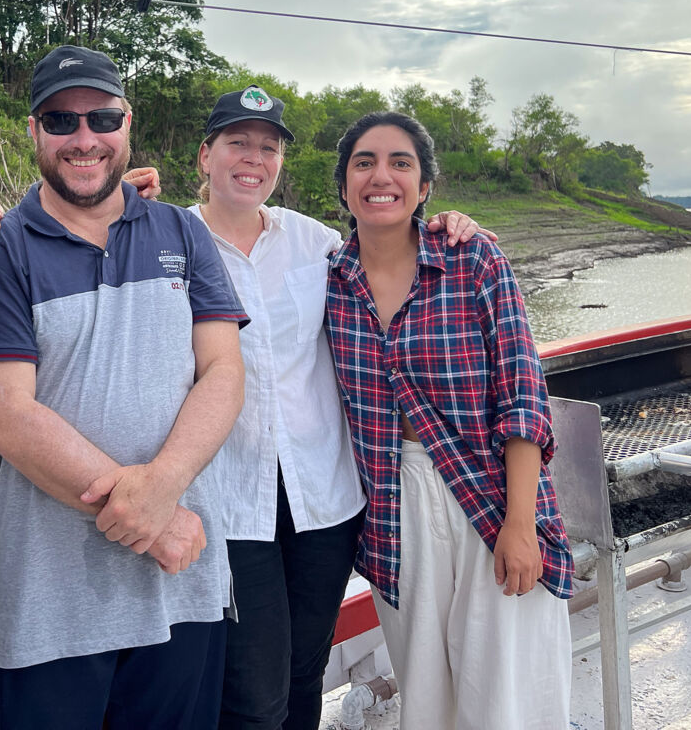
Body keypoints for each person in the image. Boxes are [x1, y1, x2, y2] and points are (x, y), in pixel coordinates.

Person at [0, 45, 247, 730]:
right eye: (60, 120)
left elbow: (223, 371)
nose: (84, 138)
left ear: (127, 124)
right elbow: (6, 417)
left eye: (101, 117)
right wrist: (156, 521)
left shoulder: (180, 232)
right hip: (56, 605)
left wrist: (162, 491)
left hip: (184, 584)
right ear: (34, 132)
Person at [190, 87, 484, 730]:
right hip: (230, 502)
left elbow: (393, 244)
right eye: (237, 142)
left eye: (268, 148)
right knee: (253, 691)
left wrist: (448, 223)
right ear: (205, 155)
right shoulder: (167, 240)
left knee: (303, 672)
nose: (253, 158)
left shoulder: (316, 244)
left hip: (323, 498)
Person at [324, 111, 573, 730]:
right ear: (345, 184)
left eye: (400, 163)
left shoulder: (471, 259)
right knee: (428, 699)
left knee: (506, 699)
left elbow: (522, 392)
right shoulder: (329, 279)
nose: (381, 176)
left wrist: (520, 524)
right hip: (391, 505)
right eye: (364, 162)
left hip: (488, 492)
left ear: (426, 186)